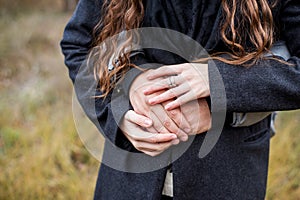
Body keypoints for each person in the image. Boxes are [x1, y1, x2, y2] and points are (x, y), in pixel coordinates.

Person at [60, 0, 300, 199]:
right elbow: (80, 43)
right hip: (126, 182)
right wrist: (120, 107)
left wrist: (218, 82)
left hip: (228, 180)